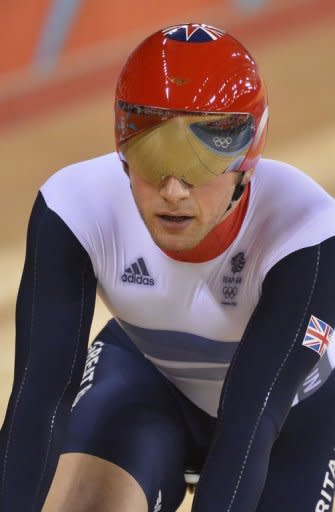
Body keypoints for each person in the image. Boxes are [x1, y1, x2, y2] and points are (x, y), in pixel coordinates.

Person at [1, 22, 335, 512]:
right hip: (148, 377)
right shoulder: (74, 207)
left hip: (295, 413)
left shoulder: (308, 233)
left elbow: (253, 422)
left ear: (247, 159)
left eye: (200, 164)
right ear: (123, 151)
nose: (174, 192)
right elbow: (38, 402)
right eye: (153, 156)